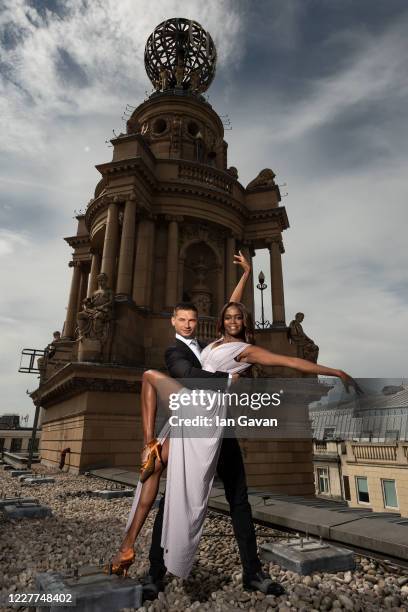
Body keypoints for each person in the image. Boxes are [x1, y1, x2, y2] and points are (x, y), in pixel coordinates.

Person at [106, 256, 359, 598]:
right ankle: (156, 571)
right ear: (223, 320)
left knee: (239, 500)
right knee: (172, 497)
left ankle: (252, 573)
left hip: (219, 427)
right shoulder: (211, 346)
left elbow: (289, 361)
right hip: (194, 422)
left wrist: (335, 371)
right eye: (229, 316)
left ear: (244, 322)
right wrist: (245, 274)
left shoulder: (247, 350)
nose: (233, 320)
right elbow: (230, 303)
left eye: (239, 317)